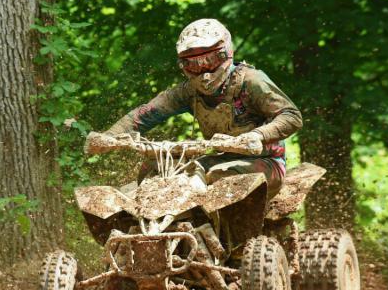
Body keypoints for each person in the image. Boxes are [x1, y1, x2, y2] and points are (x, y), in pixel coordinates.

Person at [105, 18, 302, 198]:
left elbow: (292, 116)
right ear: (182, 65)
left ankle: (232, 234)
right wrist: (109, 136)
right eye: (192, 64)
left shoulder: (250, 81)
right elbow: (145, 114)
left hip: (265, 163)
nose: (202, 70)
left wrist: (258, 135)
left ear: (225, 54)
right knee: (160, 170)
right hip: (219, 159)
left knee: (218, 177)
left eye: (209, 60)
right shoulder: (189, 91)